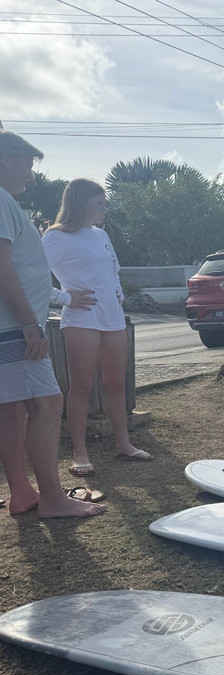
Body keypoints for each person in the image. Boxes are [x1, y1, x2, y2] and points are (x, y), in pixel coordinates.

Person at [0, 130, 104, 517]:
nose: (31, 172)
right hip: (14, 325)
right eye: (27, 163)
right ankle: (53, 499)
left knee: (11, 409)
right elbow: (2, 264)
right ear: (6, 158)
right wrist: (29, 323)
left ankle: (23, 493)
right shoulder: (0, 200)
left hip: (8, 325)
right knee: (47, 403)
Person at [42, 178, 152, 475]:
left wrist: (117, 292)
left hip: (112, 317)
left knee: (117, 383)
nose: (105, 209)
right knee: (81, 386)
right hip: (81, 320)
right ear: (80, 204)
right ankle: (79, 453)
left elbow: (113, 268)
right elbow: (33, 277)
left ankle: (124, 444)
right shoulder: (55, 237)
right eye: (99, 204)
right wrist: (65, 298)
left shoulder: (101, 234)